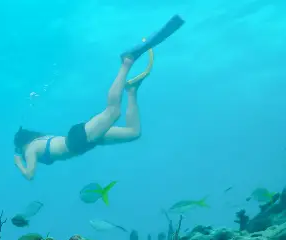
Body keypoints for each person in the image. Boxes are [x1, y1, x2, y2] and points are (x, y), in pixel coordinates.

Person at [13, 15, 185, 180]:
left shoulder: (30, 148)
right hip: (83, 141)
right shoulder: (39, 141)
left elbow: (30, 175)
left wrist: (19, 162)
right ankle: (131, 91)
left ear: (22, 144)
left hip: (78, 140)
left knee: (113, 111)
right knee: (133, 133)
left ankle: (126, 62)